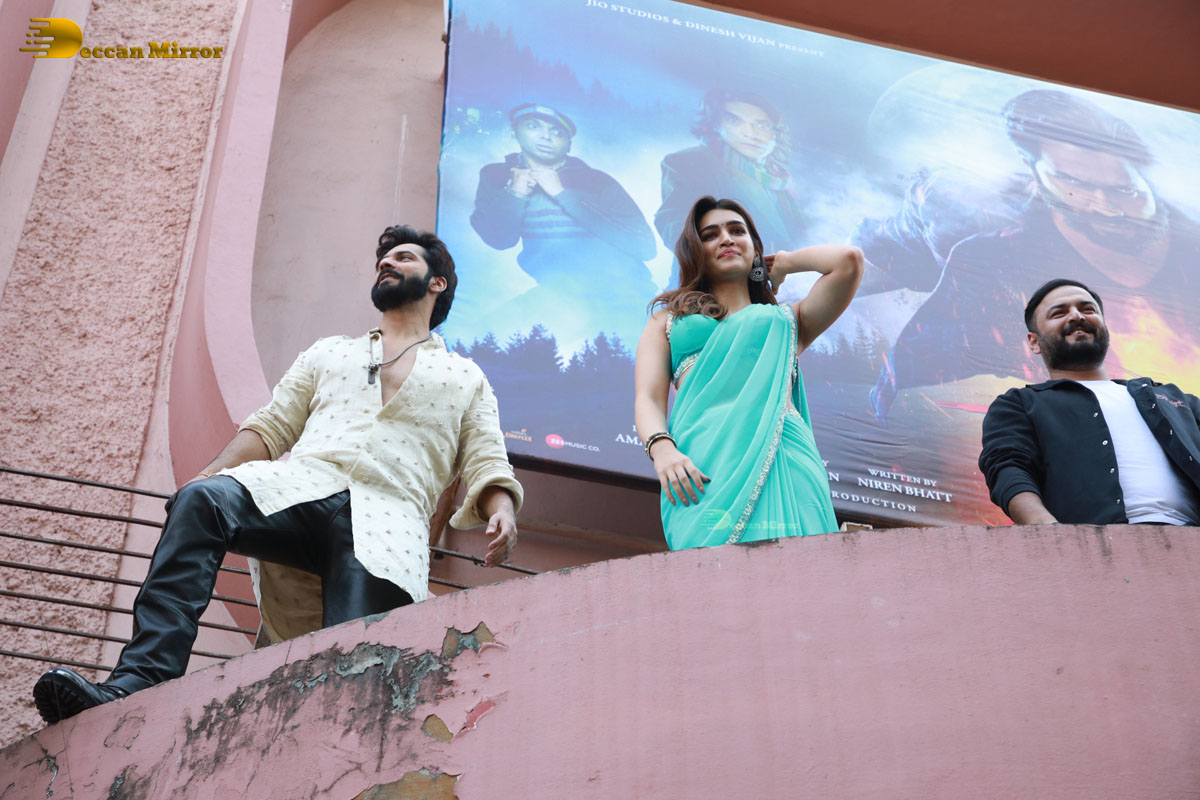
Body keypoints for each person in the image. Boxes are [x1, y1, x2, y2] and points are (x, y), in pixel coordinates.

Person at [32, 225, 524, 723]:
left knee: (346, 678)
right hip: (303, 488)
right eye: (383, 260)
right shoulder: (330, 351)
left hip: (389, 526)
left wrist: (502, 509)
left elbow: (486, 458)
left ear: (437, 283)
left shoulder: (466, 378)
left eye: (403, 258)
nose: (386, 264)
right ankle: (137, 683)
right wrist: (208, 475)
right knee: (202, 501)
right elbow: (272, 426)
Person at [867, 89, 1200, 423]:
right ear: (1035, 172)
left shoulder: (1191, 248)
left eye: (1123, 189)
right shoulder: (988, 253)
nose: (1105, 206)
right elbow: (904, 391)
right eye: (1073, 182)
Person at [634, 196, 863, 549]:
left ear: (755, 248)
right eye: (710, 235)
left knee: (807, 568)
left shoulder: (787, 321)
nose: (726, 238)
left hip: (784, 456)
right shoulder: (668, 320)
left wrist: (783, 263)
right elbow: (648, 398)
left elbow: (848, 261)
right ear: (695, 251)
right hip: (702, 461)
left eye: (737, 231)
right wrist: (661, 449)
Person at [979, 278, 1200, 525]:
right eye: (1059, 313)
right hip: (1093, 544)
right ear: (1034, 341)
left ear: (1105, 328)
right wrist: (1050, 532)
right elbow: (1008, 467)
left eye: (1088, 309)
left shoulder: (1176, 400)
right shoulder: (1019, 404)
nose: (1076, 316)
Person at [470, 102, 658, 349]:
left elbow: (645, 247)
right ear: (514, 132)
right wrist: (514, 194)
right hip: (558, 295)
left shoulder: (596, 181)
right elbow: (499, 239)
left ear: (569, 144)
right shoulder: (498, 176)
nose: (546, 136)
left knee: (623, 355)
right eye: (533, 126)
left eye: (557, 132)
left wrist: (563, 194)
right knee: (482, 337)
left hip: (624, 294)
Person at [655, 89, 807, 286]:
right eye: (735, 121)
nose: (750, 133)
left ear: (776, 133)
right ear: (716, 125)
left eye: (762, 125)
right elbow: (674, 221)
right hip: (713, 289)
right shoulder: (690, 162)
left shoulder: (778, 178)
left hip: (778, 287)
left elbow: (798, 234)